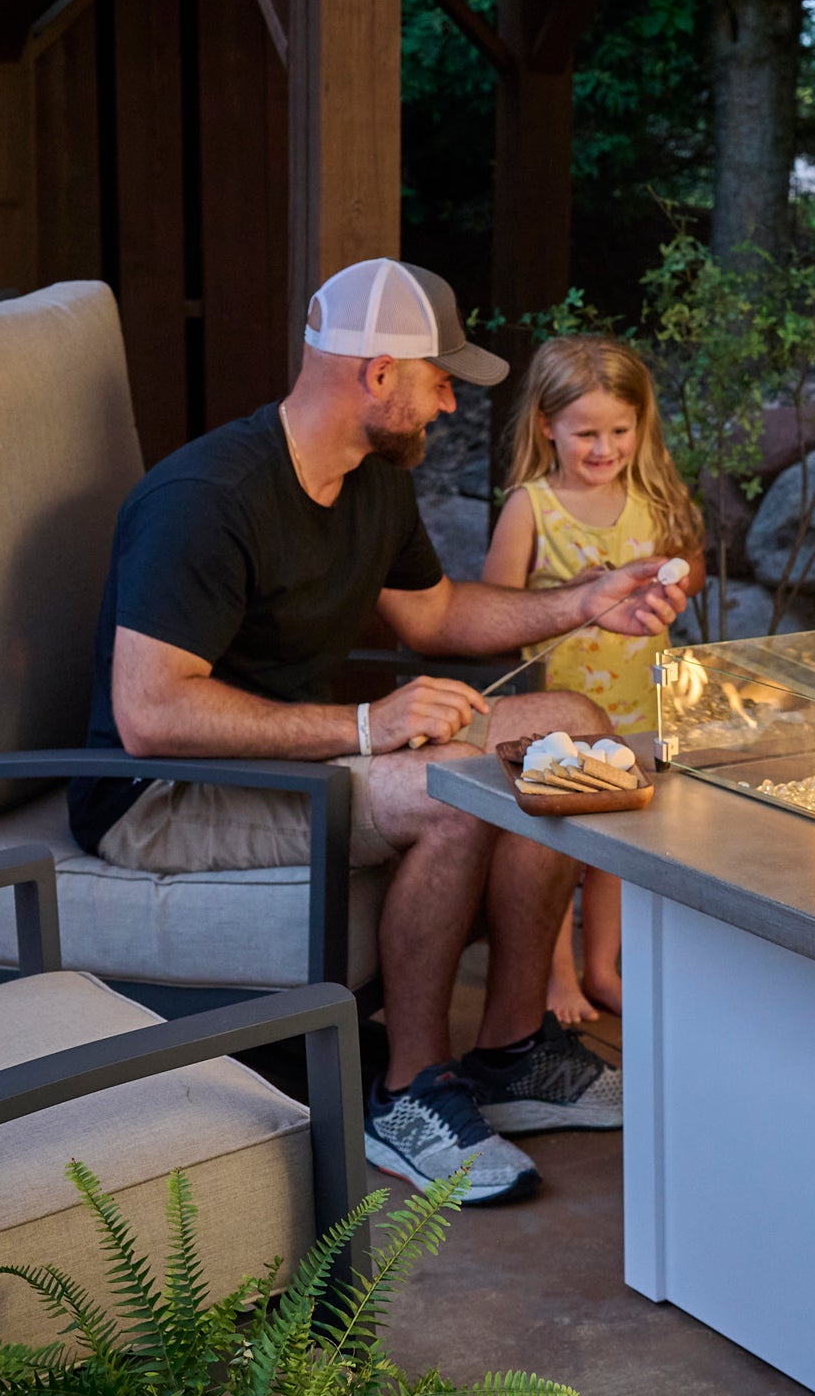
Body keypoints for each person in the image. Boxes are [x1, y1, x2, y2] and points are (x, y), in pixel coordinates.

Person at [69, 258, 689, 1208]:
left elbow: (437, 619)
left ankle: (514, 1050)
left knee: (575, 732)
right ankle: (408, 1090)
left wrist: (584, 602)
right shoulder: (206, 498)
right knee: (453, 791)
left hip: (295, 760)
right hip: (166, 795)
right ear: (378, 373)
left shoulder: (372, 480)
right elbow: (149, 715)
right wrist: (370, 724)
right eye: (442, 380)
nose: (450, 403)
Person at [482, 334, 704, 1029]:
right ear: (547, 425)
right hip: (560, 721)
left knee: (617, 847)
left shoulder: (651, 498)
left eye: (619, 430)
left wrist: (674, 583)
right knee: (557, 848)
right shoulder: (533, 507)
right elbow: (493, 606)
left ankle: (604, 966)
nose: (604, 448)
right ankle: (559, 977)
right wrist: (570, 595)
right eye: (586, 433)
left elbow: (688, 567)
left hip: (638, 707)